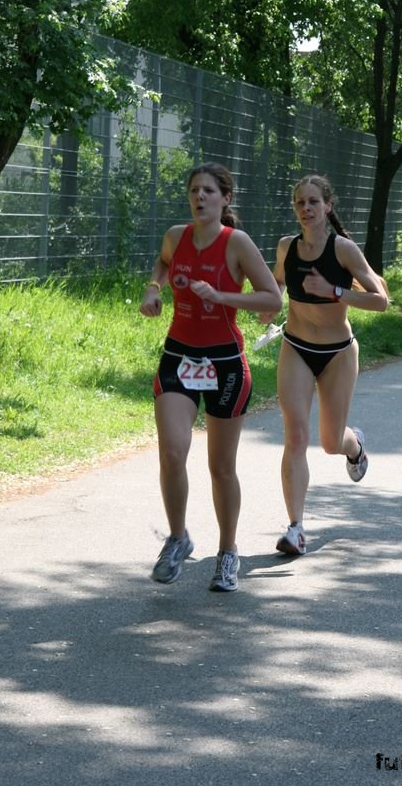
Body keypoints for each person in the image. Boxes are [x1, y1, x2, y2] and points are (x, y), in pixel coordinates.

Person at [140, 162, 282, 591]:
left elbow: (272, 298)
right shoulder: (174, 237)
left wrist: (221, 295)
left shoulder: (235, 243)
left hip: (224, 363)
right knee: (172, 454)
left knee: (221, 467)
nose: (199, 197)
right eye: (193, 191)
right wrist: (153, 288)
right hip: (179, 356)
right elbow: (163, 264)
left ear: (225, 199)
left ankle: (227, 552)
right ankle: (178, 538)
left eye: (208, 191)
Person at [259, 174, 389, 556]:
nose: (306, 208)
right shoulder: (286, 247)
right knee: (296, 436)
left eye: (313, 201)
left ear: (327, 206)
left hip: (338, 353)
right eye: (300, 202)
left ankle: (355, 446)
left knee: (330, 442)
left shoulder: (344, 250)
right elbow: (277, 285)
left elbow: (381, 300)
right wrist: (270, 305)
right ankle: (296, 528)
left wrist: (334, 291)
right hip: (296, 348)